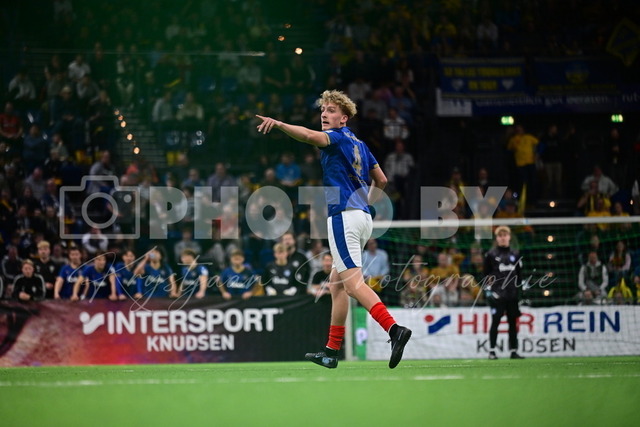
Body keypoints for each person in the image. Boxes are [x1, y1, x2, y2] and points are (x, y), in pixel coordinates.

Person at [256, 89, 411, 369]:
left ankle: (394, 329)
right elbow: (382, 180)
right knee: (337, 285)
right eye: (323, 110)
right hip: (361, 218)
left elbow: (307, 136)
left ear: (344, 118)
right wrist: (366, 202)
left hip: (344, 217)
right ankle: (331, 351)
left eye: (331, 110)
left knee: (353, 285)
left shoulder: (336, 137)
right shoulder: (360, 144)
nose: (324, 115)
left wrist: (278, 124)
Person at [483, 226, 524, 360]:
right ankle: (492, 351)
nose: (503, 238)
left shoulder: (516, 254)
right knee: (495, 322)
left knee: (512, 323)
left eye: (505, 235)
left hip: (512, 295)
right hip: (497, 295)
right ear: (497, 238)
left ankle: (514, 351)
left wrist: (520, 293)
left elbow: (519, 275)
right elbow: (485, 275)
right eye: (500, 235)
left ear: (509, 237)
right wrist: (489, 292)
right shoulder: (491, 255)